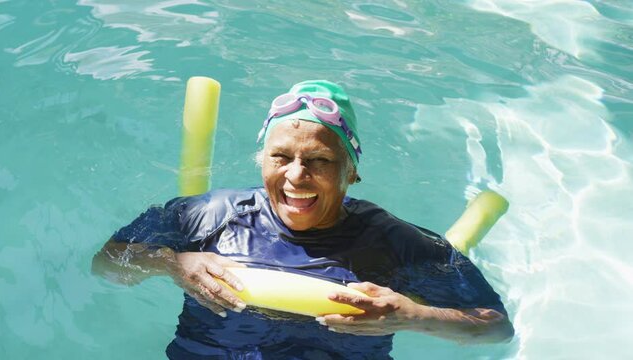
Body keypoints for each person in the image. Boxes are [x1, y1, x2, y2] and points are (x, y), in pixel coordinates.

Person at [92, 80, 514, 359]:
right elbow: (108, 264)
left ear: (352, 172)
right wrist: (172, 263)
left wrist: (413, 316)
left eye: (319, 160)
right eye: (281, 157)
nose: (296, 176)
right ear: (262, 161)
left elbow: (495, 328)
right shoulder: (205, 216)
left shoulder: (396, 244)